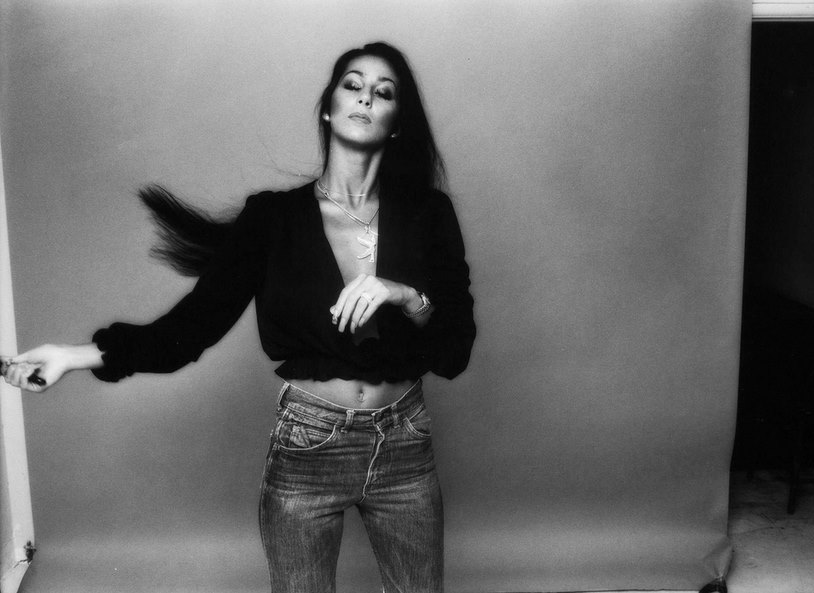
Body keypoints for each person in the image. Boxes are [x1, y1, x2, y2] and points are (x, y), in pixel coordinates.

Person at [2, 41, 475, 593]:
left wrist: (406, 295)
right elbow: (189, 330)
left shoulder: (428, 216)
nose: (366, 97)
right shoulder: (272, 219)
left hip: (404, 445)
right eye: (352, 84)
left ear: (396, 124)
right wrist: (73, 356)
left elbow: (455, 351)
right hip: (309, 446)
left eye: (383, 92)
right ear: (328, 109)